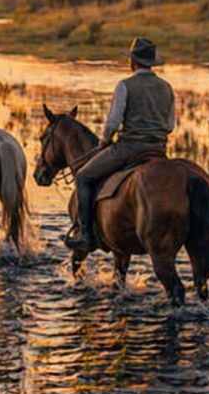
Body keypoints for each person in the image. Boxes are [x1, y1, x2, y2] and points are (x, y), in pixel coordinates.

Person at [64, 37, 176, 253]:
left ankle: (86, 235)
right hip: (159, 150)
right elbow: (170, 125)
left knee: (83, 177)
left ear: (132, 62)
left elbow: (113, 122)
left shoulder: (125, 85)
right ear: (151, 63)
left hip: (129, 148)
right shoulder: (166, 88)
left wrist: (104, 143)